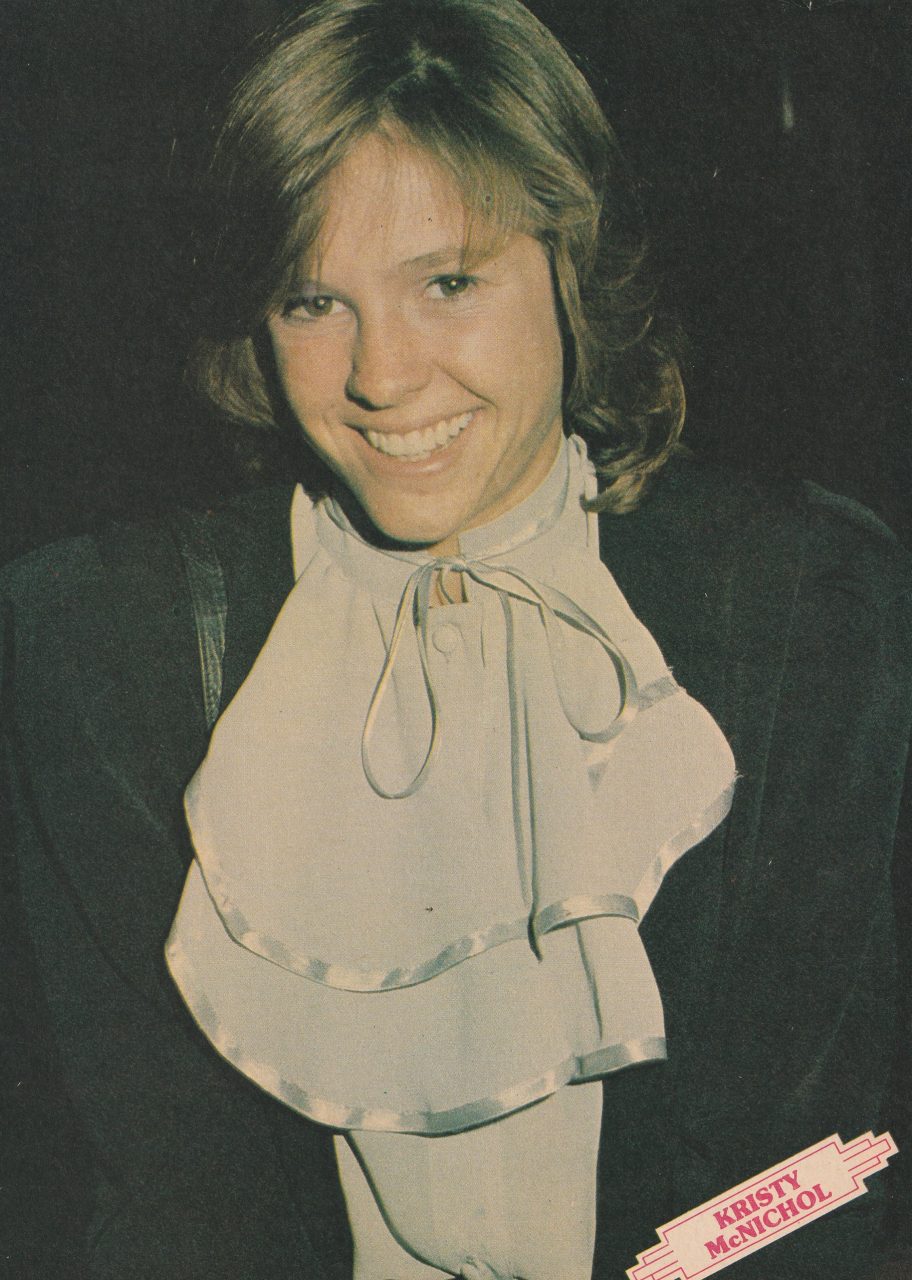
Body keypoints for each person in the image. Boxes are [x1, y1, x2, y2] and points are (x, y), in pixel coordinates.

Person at [1, 1, 909, 1277]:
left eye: (448, 282)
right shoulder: (104, 648)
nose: (382, 374)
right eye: (315, 299)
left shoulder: (807, 603)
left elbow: (814, 1175)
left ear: (569, 264)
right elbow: (172, 1207)